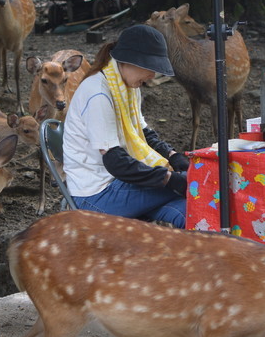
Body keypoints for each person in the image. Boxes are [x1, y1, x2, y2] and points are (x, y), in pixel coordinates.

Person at [63, 24, 188, 227]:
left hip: (120, 184)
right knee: (193, 185)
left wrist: (172, 155)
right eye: (150, 68)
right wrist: (169, 178)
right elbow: (116, 162)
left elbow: (144, 133)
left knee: (190, 210)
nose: (152, 76)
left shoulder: (127, 86)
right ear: (130, 61)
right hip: (96, 195)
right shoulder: (99, 94)